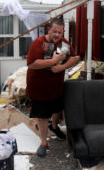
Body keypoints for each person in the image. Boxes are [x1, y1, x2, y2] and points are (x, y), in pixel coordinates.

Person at [26, 18, 79, 157]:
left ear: (63, 32)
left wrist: (61, 67)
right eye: (54, 31)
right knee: (43, 116)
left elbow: (75, 58)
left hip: (56, 87)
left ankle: (54, 127)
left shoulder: (64, 43)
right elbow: (32, 63)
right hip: (39, 88)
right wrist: (53, 61)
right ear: (48, 29)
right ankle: (43, 142)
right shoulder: (38, 43)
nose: (57, 35)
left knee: (57, 109)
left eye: (60, 32)